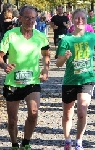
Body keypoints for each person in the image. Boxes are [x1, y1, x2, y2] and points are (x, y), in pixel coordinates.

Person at [0, 5, 50, 150]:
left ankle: (26, 142)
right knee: (12, 120)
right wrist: (3, 66)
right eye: (27, 17)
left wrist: (46, 69)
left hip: (32, 81)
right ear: (20, 18)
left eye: (33, 18)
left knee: (33, 113)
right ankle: (14, 144)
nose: (30, 21)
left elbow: (46, 55)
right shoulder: (10, 35)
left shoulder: (40, 36)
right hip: (13, 82)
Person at [56, 8, 95, 150]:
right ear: (72, 20)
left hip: (87, 79)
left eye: (83, 18)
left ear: (86, 20)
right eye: (77, 18)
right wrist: (65, 57)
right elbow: (59, 64)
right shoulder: (66, 39)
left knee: (82, 111)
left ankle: (79, 141)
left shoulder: (92, 37)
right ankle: (67, 140)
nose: (80, 21)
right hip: (70, 81)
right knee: (67, 114)